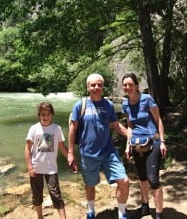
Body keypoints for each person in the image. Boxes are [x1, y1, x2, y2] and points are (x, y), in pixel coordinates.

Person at [66, 73, 132, 219]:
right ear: (88, 87)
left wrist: (132, 137)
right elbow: (72, 129)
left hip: (108, 152)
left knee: (124, 180)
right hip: (88, 153)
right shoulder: (80, 105)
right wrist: (70, 153)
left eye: (99, 85)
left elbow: (115, 125)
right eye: (93, 85)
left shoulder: (108, 105)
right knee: (90, 184)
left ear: (103, 87)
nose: (96, 87)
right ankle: (91, 210)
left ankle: (122, 213)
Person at [118, 73, 167, 219]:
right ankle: (145, 206)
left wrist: (163, 141)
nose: (128, 87)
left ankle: (159, 214)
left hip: (153, 142)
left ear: (137, 85)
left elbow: (158, 121)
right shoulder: (125, 104)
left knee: (153, 179)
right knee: (142, 178)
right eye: (125, 85)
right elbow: (130, 125)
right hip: (137, 145)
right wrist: (128, 146)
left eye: (130, 84)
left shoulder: (147, 99)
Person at [25, 101, 70, 219]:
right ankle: (40, 217)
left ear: (52, 115)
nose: (45, 117)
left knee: (56, 194)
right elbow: (27, 149)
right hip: (36, 168)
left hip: (51, 169)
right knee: (37, 195)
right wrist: (29, 167)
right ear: (39, 115)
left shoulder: (56, 128)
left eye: (48, 114)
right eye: (42, 114)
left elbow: (61, 146)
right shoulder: (34, 128)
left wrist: (70, 159)